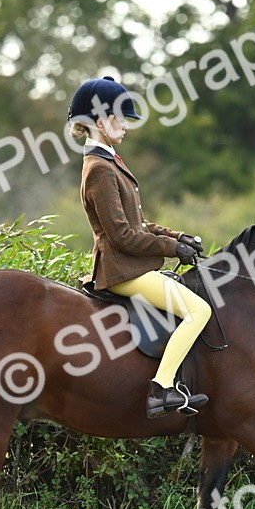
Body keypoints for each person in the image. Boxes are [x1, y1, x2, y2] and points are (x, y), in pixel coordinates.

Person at [67, 76, 212, 419]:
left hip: (132, 267)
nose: (126, 126)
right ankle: (161, 388)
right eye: (119, 119)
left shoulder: (110, 161)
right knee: (199, 311)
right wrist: (171, 249)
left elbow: (139, 224)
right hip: (123, 272)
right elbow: (122, 236)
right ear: (100, 122)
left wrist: (179, 237)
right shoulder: (99, 169)